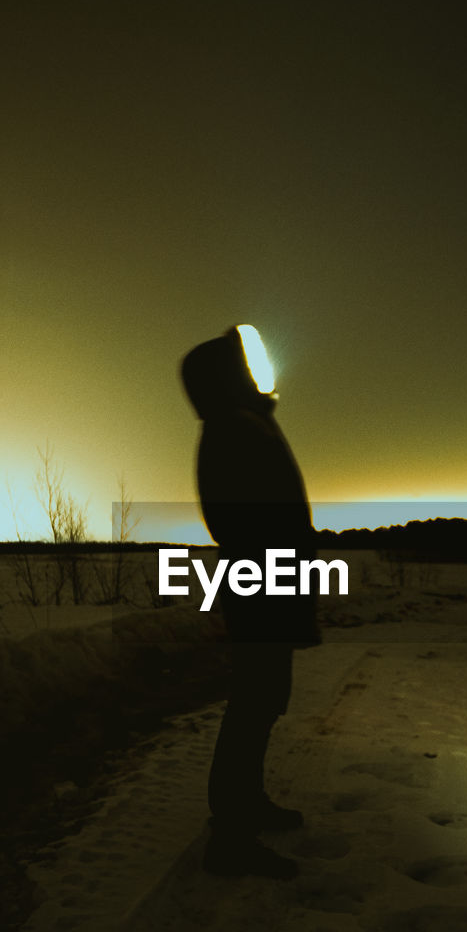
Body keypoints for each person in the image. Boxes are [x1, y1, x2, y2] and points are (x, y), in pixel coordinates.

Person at [181, 324, 320, 879]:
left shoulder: (245, 423)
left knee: (264, 700)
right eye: (244, 364)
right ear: (227, 377)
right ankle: (231, 837)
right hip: (262, 581)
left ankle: (249, 805)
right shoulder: (233, 428)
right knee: (253, 701)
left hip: (269, 579)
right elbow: (243, 519)